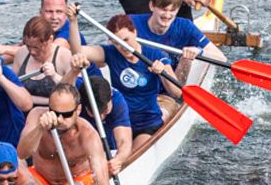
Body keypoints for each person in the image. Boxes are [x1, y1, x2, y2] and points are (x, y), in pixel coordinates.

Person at [70, 14, 185, 159]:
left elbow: (176, 92)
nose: (122, 46)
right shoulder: (110, 53)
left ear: (134, 33)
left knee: (131, 157)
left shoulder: (154, 54)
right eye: (117, 42)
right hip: (120, 120)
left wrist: (162, 72)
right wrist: (73, 22)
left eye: (126, 40)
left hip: (147, 123)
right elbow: (77, 50)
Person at [17, 87, 114, 185]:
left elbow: (103, 184)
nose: (60, 120)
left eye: (67, 114)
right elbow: (22, 153)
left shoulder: (88, 135)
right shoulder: (37, 116)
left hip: (78, 180)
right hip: (43, 178)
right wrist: (40, 129)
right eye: (55, 113)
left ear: (78, 109)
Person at [128, 0, 210, 77]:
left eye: (172, 10)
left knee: (186, 59)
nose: (167, 15)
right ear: (151, 6)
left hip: (172, 82)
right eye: (163, 9)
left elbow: (220, 57)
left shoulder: (185, 26)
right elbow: (111, 44)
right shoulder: (130, 23)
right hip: (139, 77)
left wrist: (200, 51)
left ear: (178, 10)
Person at [6, 15, 80, 102]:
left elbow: (74, 94)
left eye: (37, 47)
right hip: (25, 108)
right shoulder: (21, 53)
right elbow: (12, 88)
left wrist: (55, 76)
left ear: (50, 40)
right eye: (28, 46)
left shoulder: (64, 56)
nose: (32, 52)